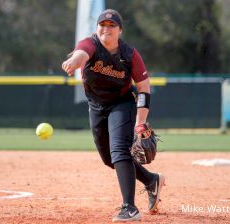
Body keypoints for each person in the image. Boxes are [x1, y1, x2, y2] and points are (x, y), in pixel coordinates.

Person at [62, 9, 165, 222]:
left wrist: (140, 123)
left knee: (119, 150)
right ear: (97, 28)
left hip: (122, 103)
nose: (106, 29)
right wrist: (75, 60)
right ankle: (151, 180)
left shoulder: (129, 54)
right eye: (103, 25)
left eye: (112, 26)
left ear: (120, 30)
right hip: (96, 106)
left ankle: (130, 208)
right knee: (110, 159)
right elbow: (82, 53)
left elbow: (144, 89)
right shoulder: (90, 44)